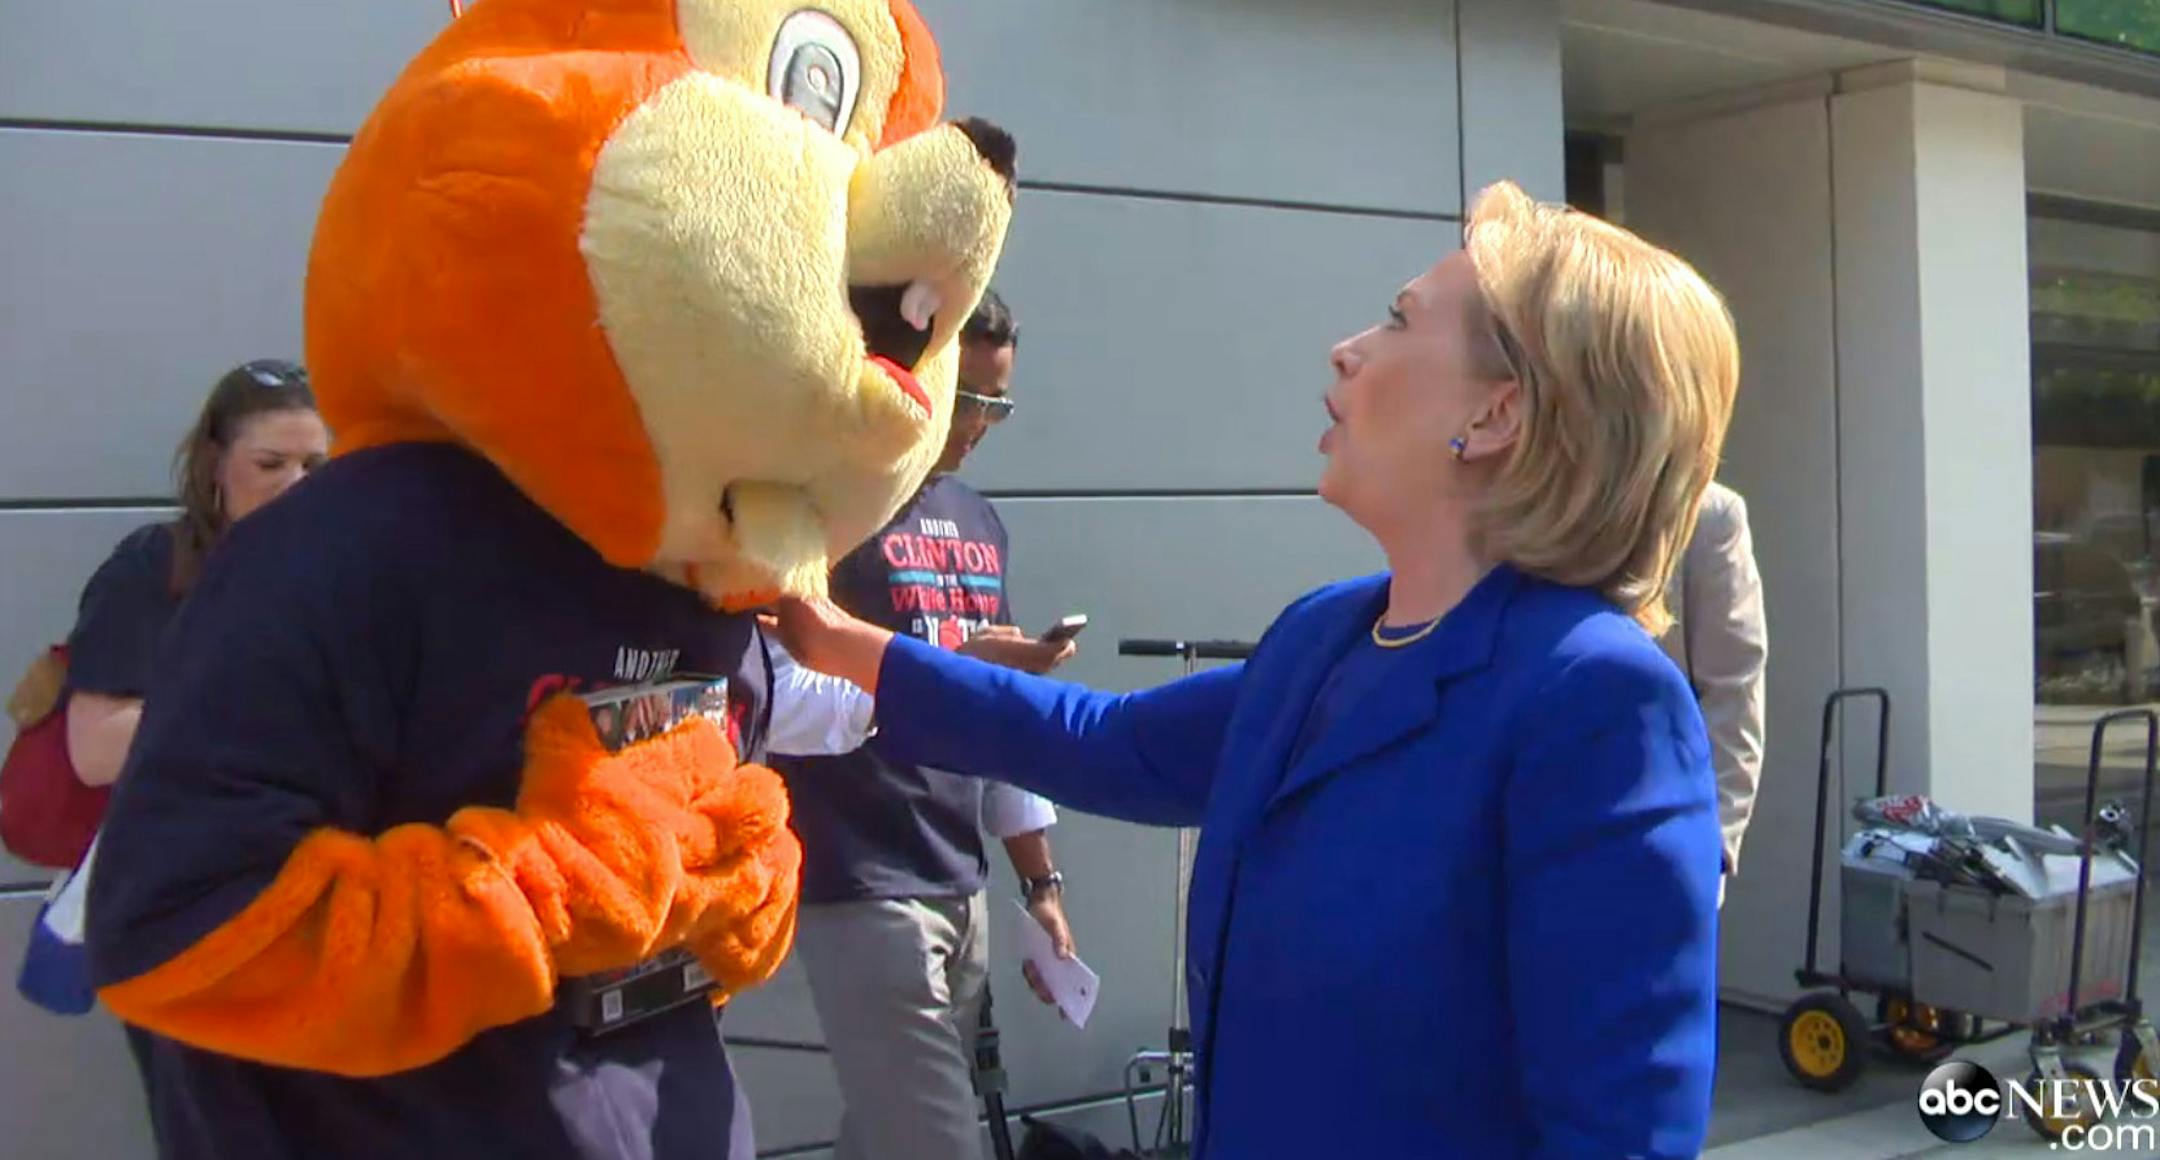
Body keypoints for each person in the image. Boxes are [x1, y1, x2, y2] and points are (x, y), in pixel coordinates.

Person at [776, 181, 1740, 1159]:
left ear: (1497, 414)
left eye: (1400, 320)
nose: (1348, 347)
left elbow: (1618, 1134)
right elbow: (1112, 745)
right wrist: (846, 646)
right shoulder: (1326, 636)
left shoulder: (1599, 702)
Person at [772, 290, 1081, 1160]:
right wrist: (946, 672)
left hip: (960, 881)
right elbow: (777, 686)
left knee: (884, 1137)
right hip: (861, 879)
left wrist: (1042, 888)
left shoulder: (978, 519)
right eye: (970, 398)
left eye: (998, 403)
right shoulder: (830, 510)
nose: (980, 423)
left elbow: (997, 716)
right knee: (940, 1145)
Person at [64, 359, 328, 790]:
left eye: (314, 467)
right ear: (215, 464)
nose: (295, 484)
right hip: (178, 840)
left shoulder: (347, 572)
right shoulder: (154, 565)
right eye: (270, 464)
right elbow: (95, 751)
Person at [1660, 479, 1767, 908]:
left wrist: (1715, 846)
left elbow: (1733, 691)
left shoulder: (1707, 513)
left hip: (1662, 834)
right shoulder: (1532, 494)